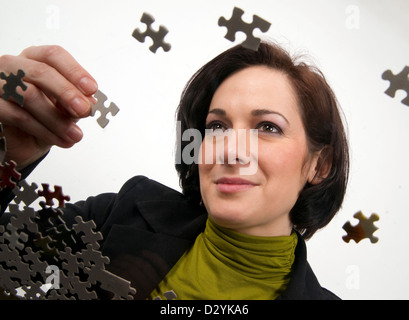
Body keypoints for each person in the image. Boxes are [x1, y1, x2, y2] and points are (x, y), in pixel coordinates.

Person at [0, 41, 349, 300]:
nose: (230, 149)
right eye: (216, 127)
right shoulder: (121, 212)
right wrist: (7, 156)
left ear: (320, 165)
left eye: (268, 127)